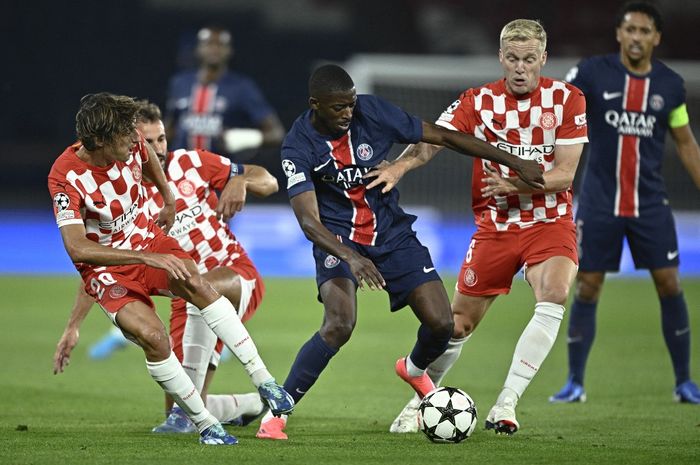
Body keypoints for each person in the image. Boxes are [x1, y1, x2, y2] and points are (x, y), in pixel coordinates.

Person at [255, 63, 545, 440]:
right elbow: (309, 222)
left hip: (391, 232)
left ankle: (413, 368)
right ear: (315, 105)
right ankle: (277, 414)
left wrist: (515, 162)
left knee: (443, 324)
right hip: (339, 238)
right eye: (338, 108)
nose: (348, 113)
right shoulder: (298, 145)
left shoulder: (371, 112)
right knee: (339, 323)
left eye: (351, 104)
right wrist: (352, 257)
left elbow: (443, 135)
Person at [369, 19, 588, 435]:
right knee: (456, 325)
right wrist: (400, 165)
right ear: (500, 58)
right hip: (496, 226)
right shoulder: (479, 100)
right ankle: (423, 400)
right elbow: (435, 138)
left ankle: (507, 403)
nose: (520, 67)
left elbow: (564, 175)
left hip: (549, 222)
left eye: (529, 59)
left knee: (554, 294)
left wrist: (514, 184)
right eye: (512, 58)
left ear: (543, 58)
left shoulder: (568, 99)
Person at [49, 93, 293, 446]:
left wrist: (174, 195)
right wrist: (73, 326)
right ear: (100, 140)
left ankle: (265, 382)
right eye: (141, 138)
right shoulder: (66, 178)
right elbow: (79, 250)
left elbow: (267, 179)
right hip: (130, 267)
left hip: (227, 271)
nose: (144, 144)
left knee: (194, 283)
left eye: (158, 137)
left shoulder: (187, 162)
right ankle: (221, 416)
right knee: (158, 350)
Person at [550, 1, 700, 404]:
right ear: (618, 33)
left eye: (644, 31)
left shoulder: (670, 85)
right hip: (600, 204)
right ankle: (574, 382)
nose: (636, 38)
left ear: (657, 38)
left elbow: (685, 143)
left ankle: (684, 382)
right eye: (630, 30)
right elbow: (560, 114)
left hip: (650, 204)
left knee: (669, 283)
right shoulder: (591, 73)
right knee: (589, 286)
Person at [166, 26, 285, 159]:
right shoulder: (180, 83)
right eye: (208, 43)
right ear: (198, 49)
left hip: (223, 174)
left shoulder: (242, 87)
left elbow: (276, 133)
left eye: (220, 44)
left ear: (230, 50)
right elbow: (170, 127)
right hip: (182, 171)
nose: (214, 49)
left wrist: (241, 138)